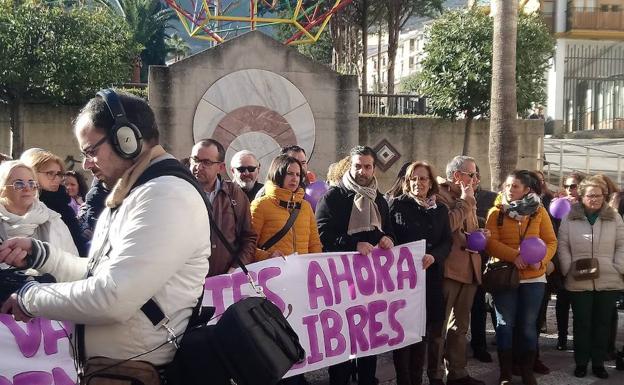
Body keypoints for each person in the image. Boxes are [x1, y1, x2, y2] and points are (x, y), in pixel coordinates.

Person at [0, 90, 211, 374]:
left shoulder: (166, 195)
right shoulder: (140, 193)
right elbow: (99, 274)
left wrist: (30, 297)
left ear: (127, 140)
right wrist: (42, 256)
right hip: (119, 371)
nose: (86, 164)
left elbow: (112, 298)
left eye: (91, 151)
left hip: (137, 372)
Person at [315, 145, 395, 385]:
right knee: (341, 334)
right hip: (339, 281)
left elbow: (388, 230)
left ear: (374, 169)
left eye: (367, 166)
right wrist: (354, 244)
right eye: (357, 165)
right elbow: (322, 235)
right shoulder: (333, 197)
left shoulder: (379, 199)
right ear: (349, 167)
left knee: (368, 335)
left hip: (370, 282)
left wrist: (387, 238)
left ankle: (367, 379)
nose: (362, 171)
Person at [485, 170, 557, 385]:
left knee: (527, 325)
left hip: (533, 278)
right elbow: (490, 243)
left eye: (515, 186)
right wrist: (515, 256)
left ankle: (527, 370)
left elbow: (551, 241)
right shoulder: (495, 212)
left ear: (527, 190)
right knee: (505, 324)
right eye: (507, 185)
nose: (509, 189)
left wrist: (541, 261)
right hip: (505, 275)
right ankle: (505, 372)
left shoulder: (539, 212)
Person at [389, 161, 452, 385]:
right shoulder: (395, 205)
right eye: (413, 179)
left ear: (431, 182)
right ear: (407, 182)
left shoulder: (441, 209)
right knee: (403, 335)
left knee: (422, 335)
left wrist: (434, 256)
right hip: (402, 281)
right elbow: (390, 237)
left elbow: (447, 241)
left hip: (431, 279)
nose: (418, 183)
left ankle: (416, 379)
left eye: (423, 178)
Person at [558, 176, 624, 379]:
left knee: (603, 323)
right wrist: (567, 268)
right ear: (582, 196)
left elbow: (622, 244)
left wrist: (618, 266)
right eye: (590, 195)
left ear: (604, 196)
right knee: (582, 322)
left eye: (599, 195)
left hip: (608, 278)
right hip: (578, 277)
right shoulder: (570, 217)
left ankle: (598, 363)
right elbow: (563, 244)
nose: (594, 199)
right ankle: (580, 362)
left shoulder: (614, 216)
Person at [430, 155, 483, 385]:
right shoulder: (439, 195)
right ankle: (435, 375)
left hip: (470, 269)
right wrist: (465, 201)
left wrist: (481, 235)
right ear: (456, 176)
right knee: (438, 328)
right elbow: (446, 226)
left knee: (460, 327)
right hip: (449, 270)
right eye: (472, 174)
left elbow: (468, 228)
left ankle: (458, 373)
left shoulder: (468, 195)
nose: (476, 179)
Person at [190, 139, 257, 276]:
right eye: (195, 160)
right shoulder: (180, 192)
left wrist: (236, 268)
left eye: (206, 162)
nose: (198, 166)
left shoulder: (234, 195)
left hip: (222, 284)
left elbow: (248, 238)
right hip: (187, 283)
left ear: (220, 167)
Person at [251, 154, 321, 262]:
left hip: (301, 273)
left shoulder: (306, 207)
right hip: (272, 273)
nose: (295, 178)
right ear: (278, 174)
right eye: (290, 173)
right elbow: (248, 247)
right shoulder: (260, 205)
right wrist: (268, 257)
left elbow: (314, 245)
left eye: (298, 175)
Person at [0, 161, 78, 255]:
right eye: (19, 184)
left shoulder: (53, 220)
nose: (27, 188)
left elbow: (71, 261)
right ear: (2, 189)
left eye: (31, 183)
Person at [21, 150, 88, 256]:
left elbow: (77, 244)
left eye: (59, 174)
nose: (57, 179)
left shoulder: (62, 204)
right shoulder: (24, 205)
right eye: (50, 173)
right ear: (32, 173)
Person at [553, 172, 585, 350]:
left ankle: (579, 339)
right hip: (562, 259)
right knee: (562, 302)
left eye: (573, 186)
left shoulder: (588, 207)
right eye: (566, 186)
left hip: (582, 260)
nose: (569, 190)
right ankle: (562, 338)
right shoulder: (559, 206)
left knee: (579, 304)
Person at [470, 167, 498, 363]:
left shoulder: (491, 198)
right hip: (459, 261)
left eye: (472, 175)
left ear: (478, 178)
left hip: (484, 260)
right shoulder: (451, 198)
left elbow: (494, 226)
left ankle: (479, 345)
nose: (470, 179)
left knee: (480, 306)